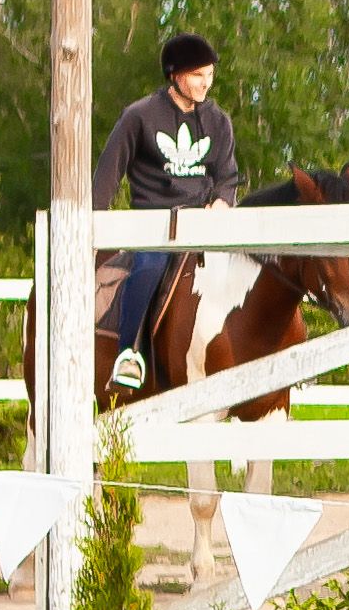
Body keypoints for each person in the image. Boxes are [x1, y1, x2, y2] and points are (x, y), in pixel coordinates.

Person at [94, 31, 242, 387]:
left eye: (209, 74)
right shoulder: (139, 117)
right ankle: (129, 355)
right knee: (147, 267)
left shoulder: (219, 121)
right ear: (176, 75)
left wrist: (222, 201)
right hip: (155, 225)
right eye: (197, 75)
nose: (206, 83)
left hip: (205, 225)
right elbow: (108, 174)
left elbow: (227, 175)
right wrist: (94, 223)